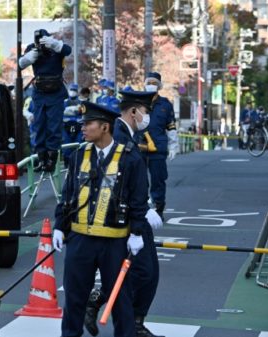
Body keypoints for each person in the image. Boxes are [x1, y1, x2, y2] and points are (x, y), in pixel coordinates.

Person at [52, 101, 149, 337]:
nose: (82, 128)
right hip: (80, 240)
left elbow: (138, 199)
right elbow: (68, 194)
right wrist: (59, 226)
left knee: (120, 301)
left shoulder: (129, 158)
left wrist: (136, 233)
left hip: (114, 243)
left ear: (105, 127)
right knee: (74, 299)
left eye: (88, 124)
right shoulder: (78, 155)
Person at [83, 90, 165, 337]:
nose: (147, 117)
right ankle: (101, 305)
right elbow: (111, 181)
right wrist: (142, 210)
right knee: (142, 272)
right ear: (133, 112)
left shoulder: (128, 134)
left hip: (134, 213)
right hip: (123, 218)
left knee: (147, 273)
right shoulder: (116, 135)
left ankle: (134, 321)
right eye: (145, 112)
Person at [19, 29, 72, 172]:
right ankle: (41, 159)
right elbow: (20, 64)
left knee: (54, 126)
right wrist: (29, 57)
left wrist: (55, 44)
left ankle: (51, 160)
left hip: (56, 91)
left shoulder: (56, 48)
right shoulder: (32, 48)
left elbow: (68, 50)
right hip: (40, 92)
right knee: (39, 125)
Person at [141, 72, 178, 220]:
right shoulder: (137, 102)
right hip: (139, 146)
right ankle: (140, 208)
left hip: (158, 147)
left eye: (154, 83)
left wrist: (174, 146)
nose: (151, 85)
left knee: (158, 179)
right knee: (139, 179)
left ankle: (158, 208)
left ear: (159, 86)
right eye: (149, 82)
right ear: (144, 83)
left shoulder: (166, 104)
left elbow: (171, 126)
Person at [62, 84, 84, 166]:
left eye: (74, 90)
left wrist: (70, 111)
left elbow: (83, 113)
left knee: (79, 145)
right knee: (67, 146)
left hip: (78, 126)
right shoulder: (64, 102)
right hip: (66, 127)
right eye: (71, 90)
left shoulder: (81, 102)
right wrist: (74, 110)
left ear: (77, 92)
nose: (72, 92)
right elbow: (61, 113)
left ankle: (78, 163)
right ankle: (67, 163)